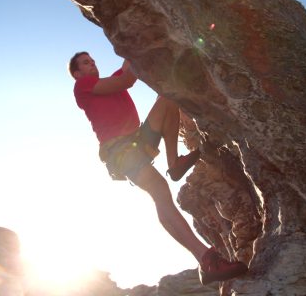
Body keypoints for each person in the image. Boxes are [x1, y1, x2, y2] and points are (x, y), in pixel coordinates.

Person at [69, 51, 248, 285]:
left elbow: (126, 70)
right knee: (160, 194)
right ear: (77, 73)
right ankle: (206, 259)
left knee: (168, 98)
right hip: (121, 153)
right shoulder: (83, 86)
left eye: (92, 60)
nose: (92, 63)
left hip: (137, 141)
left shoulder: (107, 82)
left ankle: (174, 163)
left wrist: (130, 44)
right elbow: (126, 79)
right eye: (85, 62)